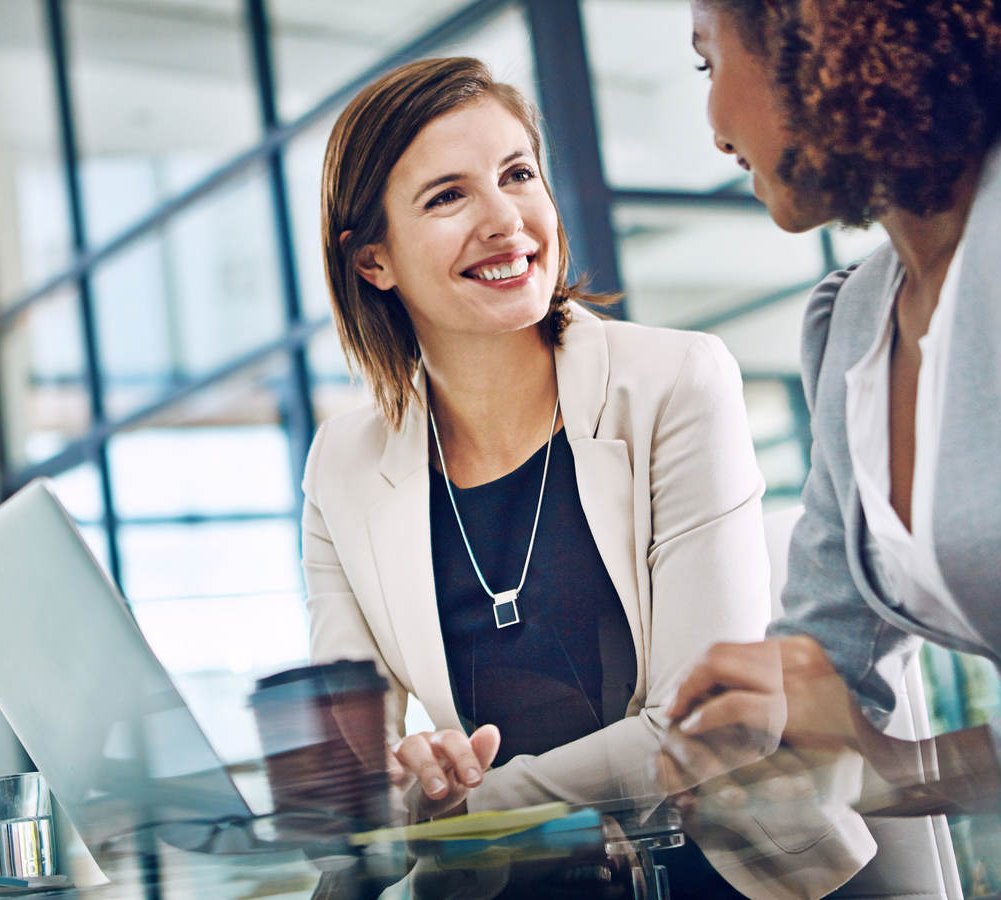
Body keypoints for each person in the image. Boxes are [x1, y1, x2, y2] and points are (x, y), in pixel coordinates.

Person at [302, 55, 859, 897]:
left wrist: (476, 808)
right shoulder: (342, 468)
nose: (505, 218)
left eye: (517, 174)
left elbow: (713, 733)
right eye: (448, 196)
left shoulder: (677, 380)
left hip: (720, 872)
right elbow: (355, 776)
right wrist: (408, 779)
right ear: (373, 260)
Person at [666, 0, 1001, 826]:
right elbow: (821, 669)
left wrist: (900, 765)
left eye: (709, 65)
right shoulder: (854, 321)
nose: (713, 128)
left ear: (804, 40)